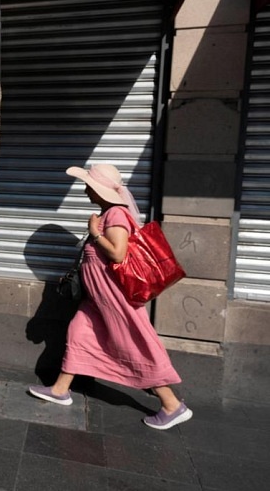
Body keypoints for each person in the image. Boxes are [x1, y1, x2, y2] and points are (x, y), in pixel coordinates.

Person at [28, 164, 192, 430]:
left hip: (113, 298)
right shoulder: (107, 212)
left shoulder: (116, 214)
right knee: (79, 332)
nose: (85, 190)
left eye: (88, 186)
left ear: (99, 189)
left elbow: (118, 253)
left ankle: (172, 405)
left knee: (131, 343)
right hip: (97, 298)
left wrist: (95, 234)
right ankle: (60, 389)